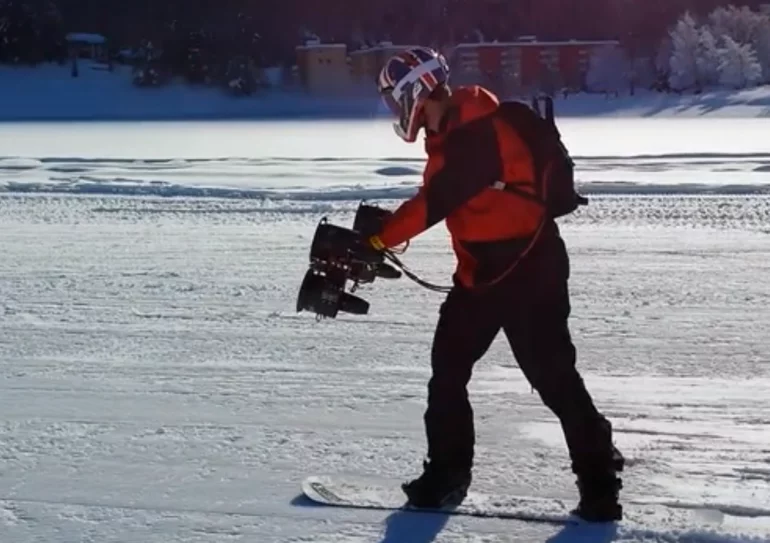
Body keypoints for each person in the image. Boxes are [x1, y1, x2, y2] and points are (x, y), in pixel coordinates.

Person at [367, 46, 625, 522]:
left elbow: (434, 202)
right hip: (480, 277)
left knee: (553, 379)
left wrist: (379, 238)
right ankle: (447, 476)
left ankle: (600, 485)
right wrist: (380, 233)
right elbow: (444, 199)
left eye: (393, 99)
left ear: (414, 93)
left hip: (531, 272)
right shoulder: (451, 134)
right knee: (447, 371)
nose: (393, 111)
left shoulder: (479, 130)